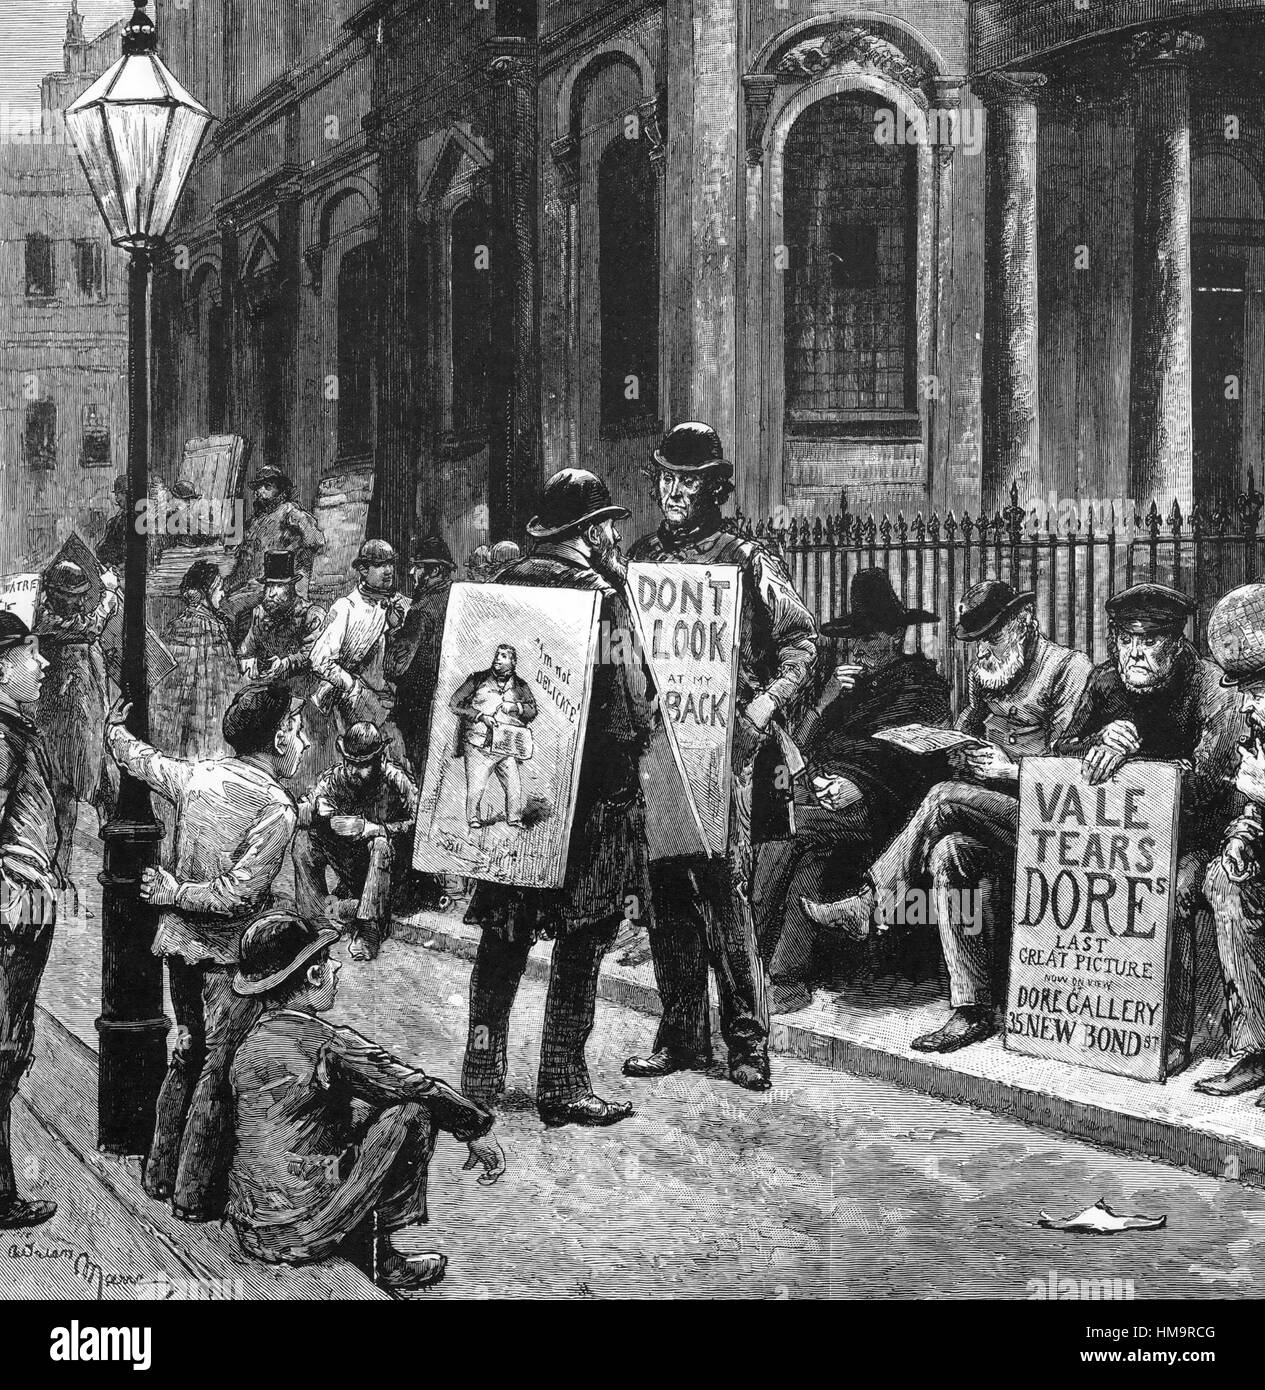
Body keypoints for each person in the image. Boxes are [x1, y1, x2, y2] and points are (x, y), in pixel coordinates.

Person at [802, 579, 1093, 1053]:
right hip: (996, 813)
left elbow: (1077, 771)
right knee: (948, 851)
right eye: (977, 641)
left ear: (1024, 626)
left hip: (1051, 818)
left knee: (940, 798)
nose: (983, 651)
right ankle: (971, 1008)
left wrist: (1011, 769)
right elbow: (965, 732)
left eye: (992, 638)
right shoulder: (990, 672)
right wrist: (952, 749)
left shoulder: (1067, 669)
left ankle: (869, 902)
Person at [622, 422, 818, 1091]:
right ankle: (680, 1036)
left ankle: (746, 1046)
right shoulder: (640, 556)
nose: (675, 491)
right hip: (658, 747)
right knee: (664, 892)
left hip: (726, 751)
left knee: (724, 895)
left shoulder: (747, 555)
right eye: (667, 478)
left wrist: (763, 708)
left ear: (715, 486)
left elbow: (801, 645)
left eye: (690, 480)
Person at [461, 469, 655, 1127]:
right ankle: (563, 1084)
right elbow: (630, 709)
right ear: (592, 531)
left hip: (516, 794)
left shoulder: (499, 590)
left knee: (501, 939)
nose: (612, 536)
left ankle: (479, 1075)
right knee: (581, 944)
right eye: (607, 525)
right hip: (594, 803)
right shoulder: (605, 597)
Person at [106, 684, 307, 1222]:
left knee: (188, 1048)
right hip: (227, 957)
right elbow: (237, 894)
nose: (302, 740)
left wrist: (112, 729)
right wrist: (177, 893)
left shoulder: (199, 776)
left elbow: (141, 760)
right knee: (218, 1067)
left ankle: (158, 1173)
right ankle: (193, 1196)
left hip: (179, 947)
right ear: (276, 738)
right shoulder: (276, 809)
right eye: (295, 727)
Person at [226, 911, 503, 1287]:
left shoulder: (250, 1045)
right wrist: (477, 1130)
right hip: (300, 1232)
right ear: (312, 976)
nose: (336, 967)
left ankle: (357, 1237)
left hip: (252, 1226)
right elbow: (411, 1084)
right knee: (412, 1114)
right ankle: (382, 1260)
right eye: (326, 961)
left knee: (364, 1108)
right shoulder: (328, 1043)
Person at [1055, 582, 1241, 1070]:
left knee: (1177, 889)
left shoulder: (1209, 686)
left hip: (1198, 839)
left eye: (1149, 640)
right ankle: (1095, 1018)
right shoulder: (1103, 681)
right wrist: (1096, 740)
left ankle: (1169, 1035)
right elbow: (1059, 757)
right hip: (1119, 841)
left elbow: (1213, 786)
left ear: (1176, 643)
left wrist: (1137, 762)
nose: (1134, 652)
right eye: (1125, 639)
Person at [753, 569, 949, 1012]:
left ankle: (752, 956)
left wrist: (859, 785)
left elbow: (913, 760)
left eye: (870, 635)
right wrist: (827, 701)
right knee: (803, 845)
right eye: (853, 636)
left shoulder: (922, 685)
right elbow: (800, 747)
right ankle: (783, 976)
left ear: (896, 634)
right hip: (826, 801)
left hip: (885, 809)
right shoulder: (846, 689)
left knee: (788, 827)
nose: (858, 647)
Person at [0, 612, 57, 1229]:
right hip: (13, 917)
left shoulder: (15, 728)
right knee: (5, 1049)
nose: (39, 665)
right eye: (26, 655)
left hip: (23, 912)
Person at [1198, 583, 1265, 1102]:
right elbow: (1254, 801)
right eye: (1243, 689)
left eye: (1257, 689)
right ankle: (1254, 1048)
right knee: (1226, 877)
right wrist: (1243, 835)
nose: (1247, 702)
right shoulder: (1255, 727)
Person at [293, 721, 419, 963]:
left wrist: (375, 829)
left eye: (361, 765)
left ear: (379, 760)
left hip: (394, 877)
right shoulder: (335, 780)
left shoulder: (396, 781)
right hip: (355, 872)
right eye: (348, 762)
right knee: (304, 840)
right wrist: (313, 808)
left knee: (380, 843)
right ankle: (316, 921)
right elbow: (297, 814)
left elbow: (419, 826)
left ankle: (369, 929)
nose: (352, 770)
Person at [34, 560, 120, 888]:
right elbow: (93, 626)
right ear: (56, 595)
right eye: (74, 595)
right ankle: (59, 874)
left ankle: (81, 869)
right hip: (68, 722)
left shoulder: (63, 617)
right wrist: (109, 591)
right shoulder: (48, 619)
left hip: (86, 719)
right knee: (66, 800)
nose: (80, 601)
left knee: (93, 792)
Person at [309, 539, 408, 759]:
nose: (389, 570)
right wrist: (352, 688)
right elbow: (319, 659)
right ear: (363, 569)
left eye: (390, 564)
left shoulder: (399, 605)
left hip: (390, 706)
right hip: (354, 708)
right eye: (380, 565)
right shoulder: (346, 608)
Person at [152, 558, 240, 763]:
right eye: (219, 588)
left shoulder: (175, 627)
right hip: (210, 723)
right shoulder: (214, 628)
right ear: (206, 594)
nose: (223, 593)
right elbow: (228, 686)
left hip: (178, 725)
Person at [386, 534, 456, 775]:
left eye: (417, 567)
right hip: (446, 702)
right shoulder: (457, 596)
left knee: (416, 769)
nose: (411, 573)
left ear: (435, 570)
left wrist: (395, 629)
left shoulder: (422, 610)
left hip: (418, 706)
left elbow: (395, 667)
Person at [449, 644, 538, 829]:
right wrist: (481, 716)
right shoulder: (477, 679)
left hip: (505, 745)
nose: (498, 658)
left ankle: (514, 818)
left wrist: (516, 708)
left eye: (504, 656)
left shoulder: (521, 686)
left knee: (514, 787)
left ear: (513, 662)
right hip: (478, 743)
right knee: (476, 787)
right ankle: (473, 818)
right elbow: (455, 703)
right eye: (497, 654)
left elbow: (532, 711)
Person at [223, 465, 325, 624]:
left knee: (229, 607)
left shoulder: (289, 511)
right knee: (224, 606)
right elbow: (245, 563)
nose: (260, 491)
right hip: (256, 586)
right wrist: (226, 586)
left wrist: (296, 564)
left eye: (267, 486)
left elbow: (316, 540)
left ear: (279, 489)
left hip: (281, 588)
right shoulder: (255, 522)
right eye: (258, 487)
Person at [94, 473, 129, 572]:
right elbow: (100, 549)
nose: (117, 499)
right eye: (116, 495)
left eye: (119, 494)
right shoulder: (115, 521)